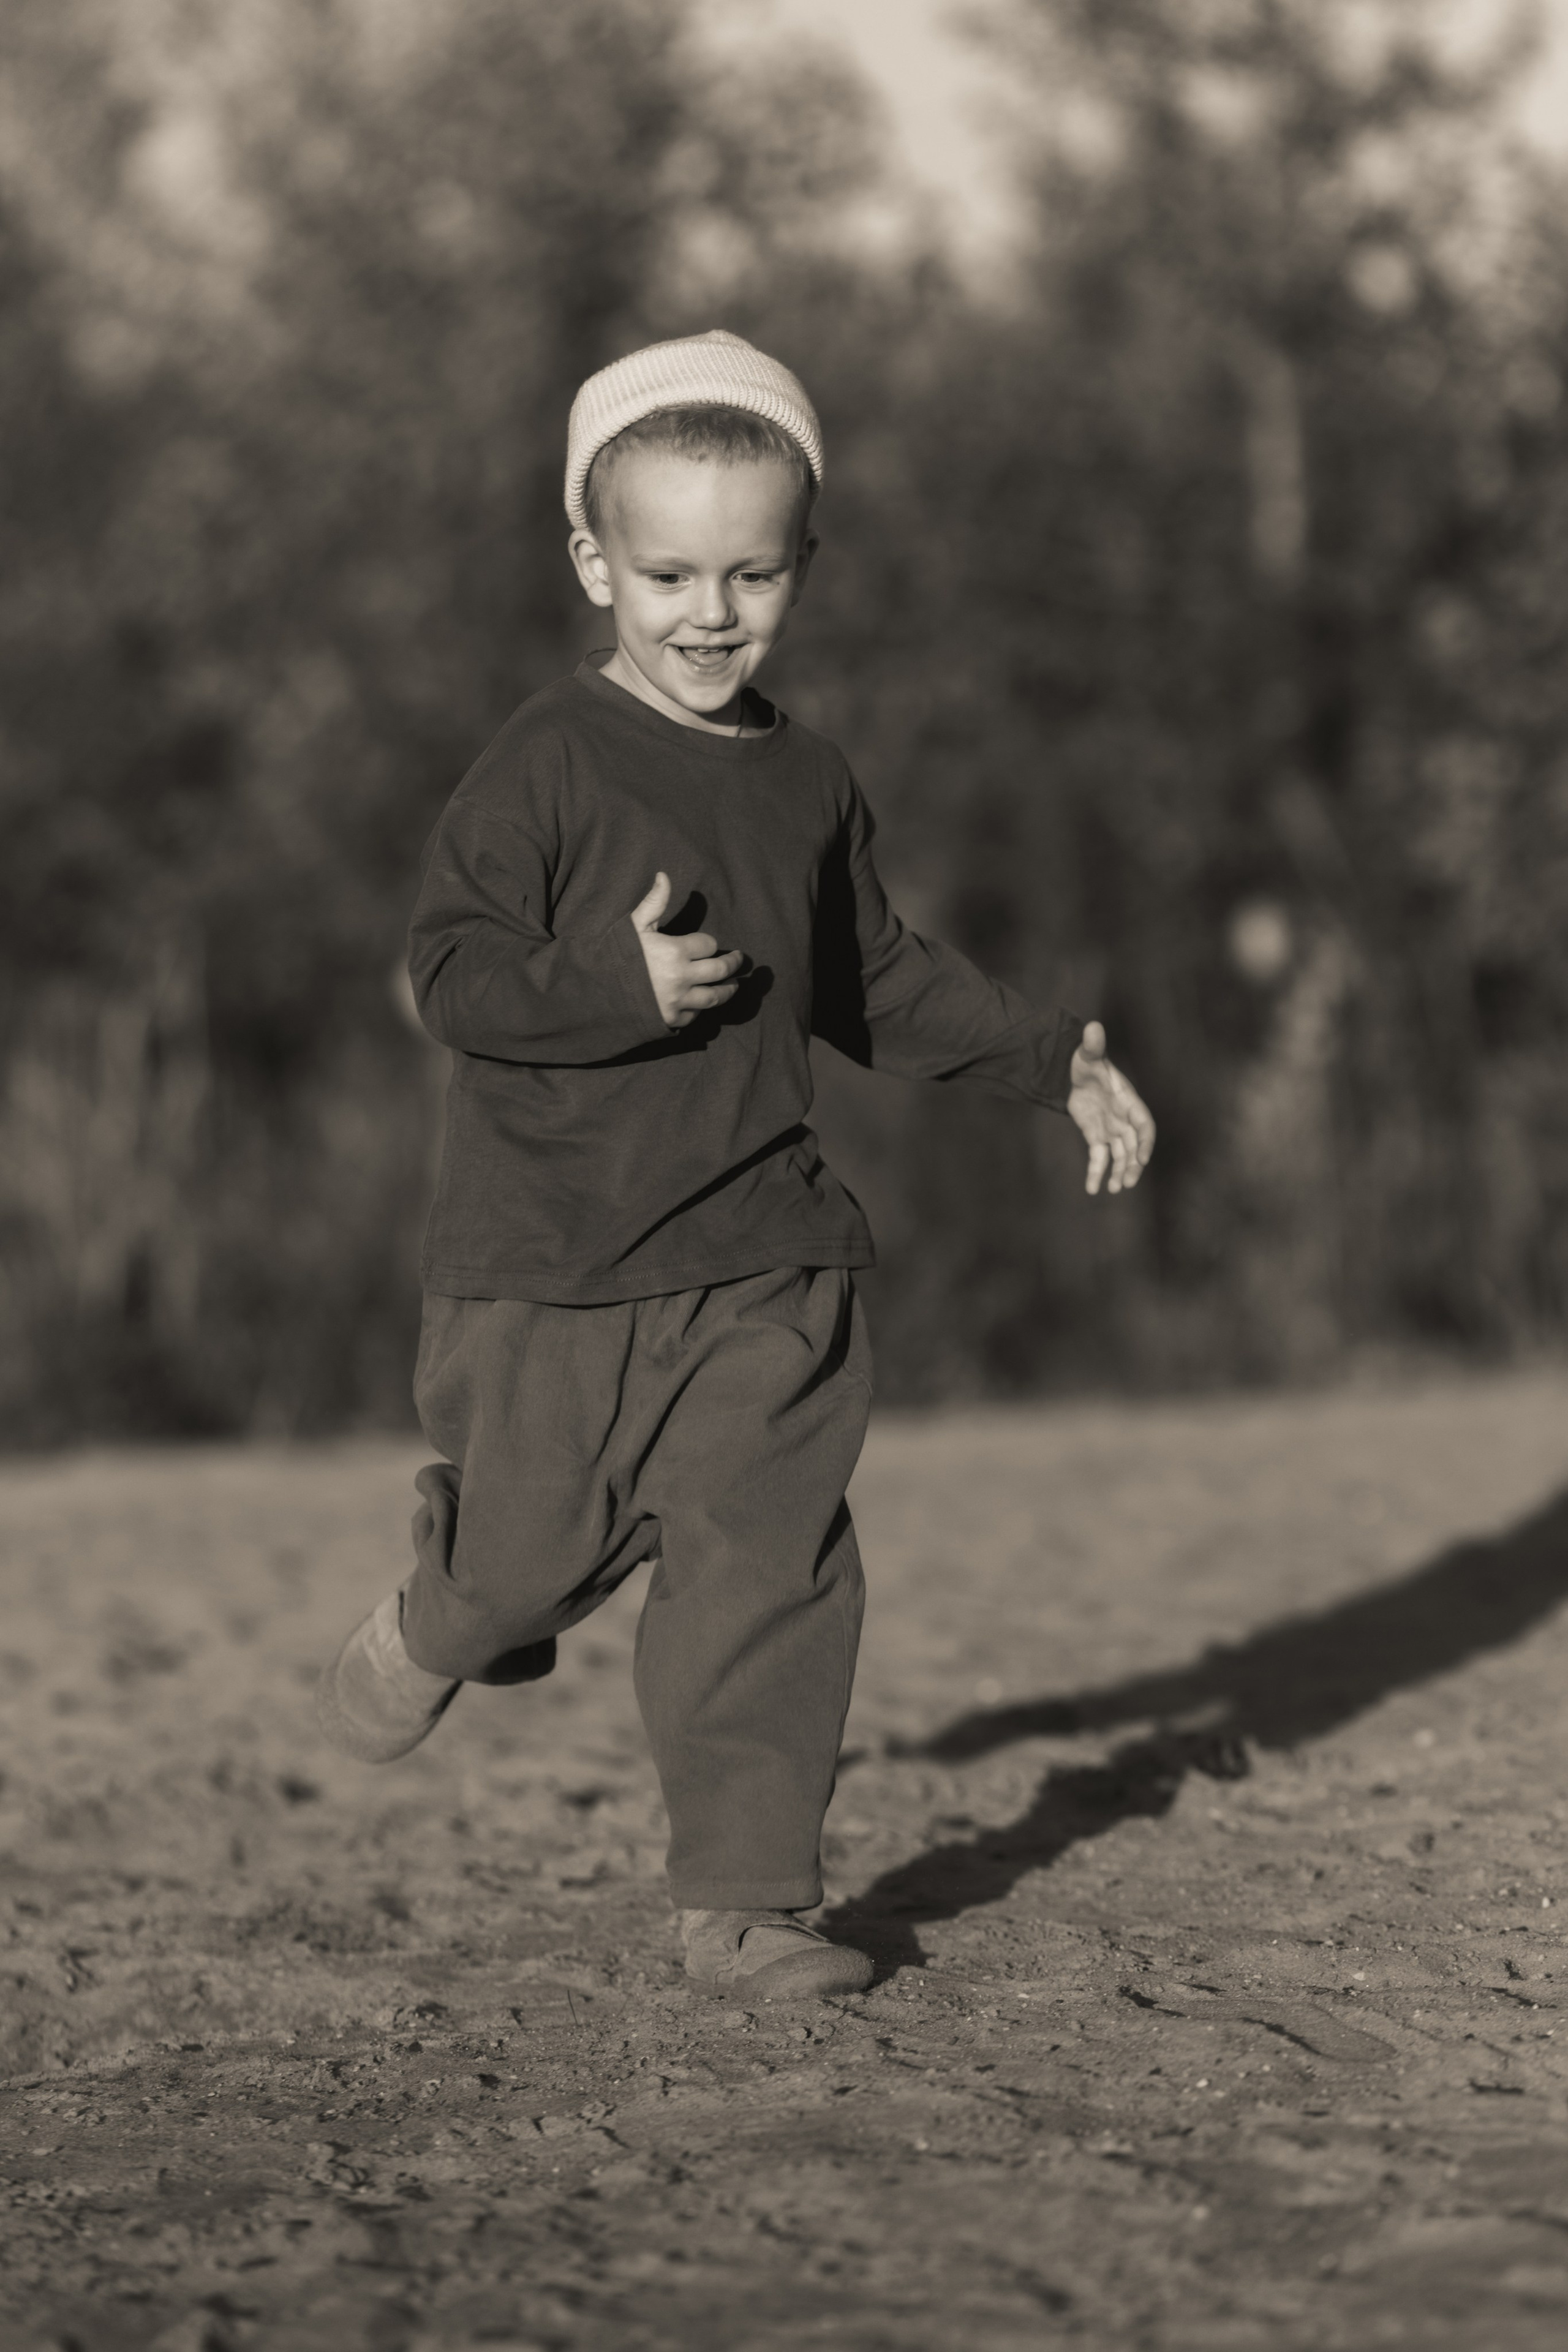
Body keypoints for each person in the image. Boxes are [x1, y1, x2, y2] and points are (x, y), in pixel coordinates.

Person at [316, 330, 1155, 2001]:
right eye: (670, 570)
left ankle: (747, 1904)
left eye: (753, 573)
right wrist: (610, 989)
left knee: (769, 1559)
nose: (711, 611)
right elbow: (454, 981)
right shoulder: (547, 766)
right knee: (526, 1571)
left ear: (803, 564)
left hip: (768, 1254)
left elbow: (875, 980)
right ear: (593, 562)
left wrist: (1052, 1058)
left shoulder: (810, 782)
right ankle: (444, 1607)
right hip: (550, 1261)